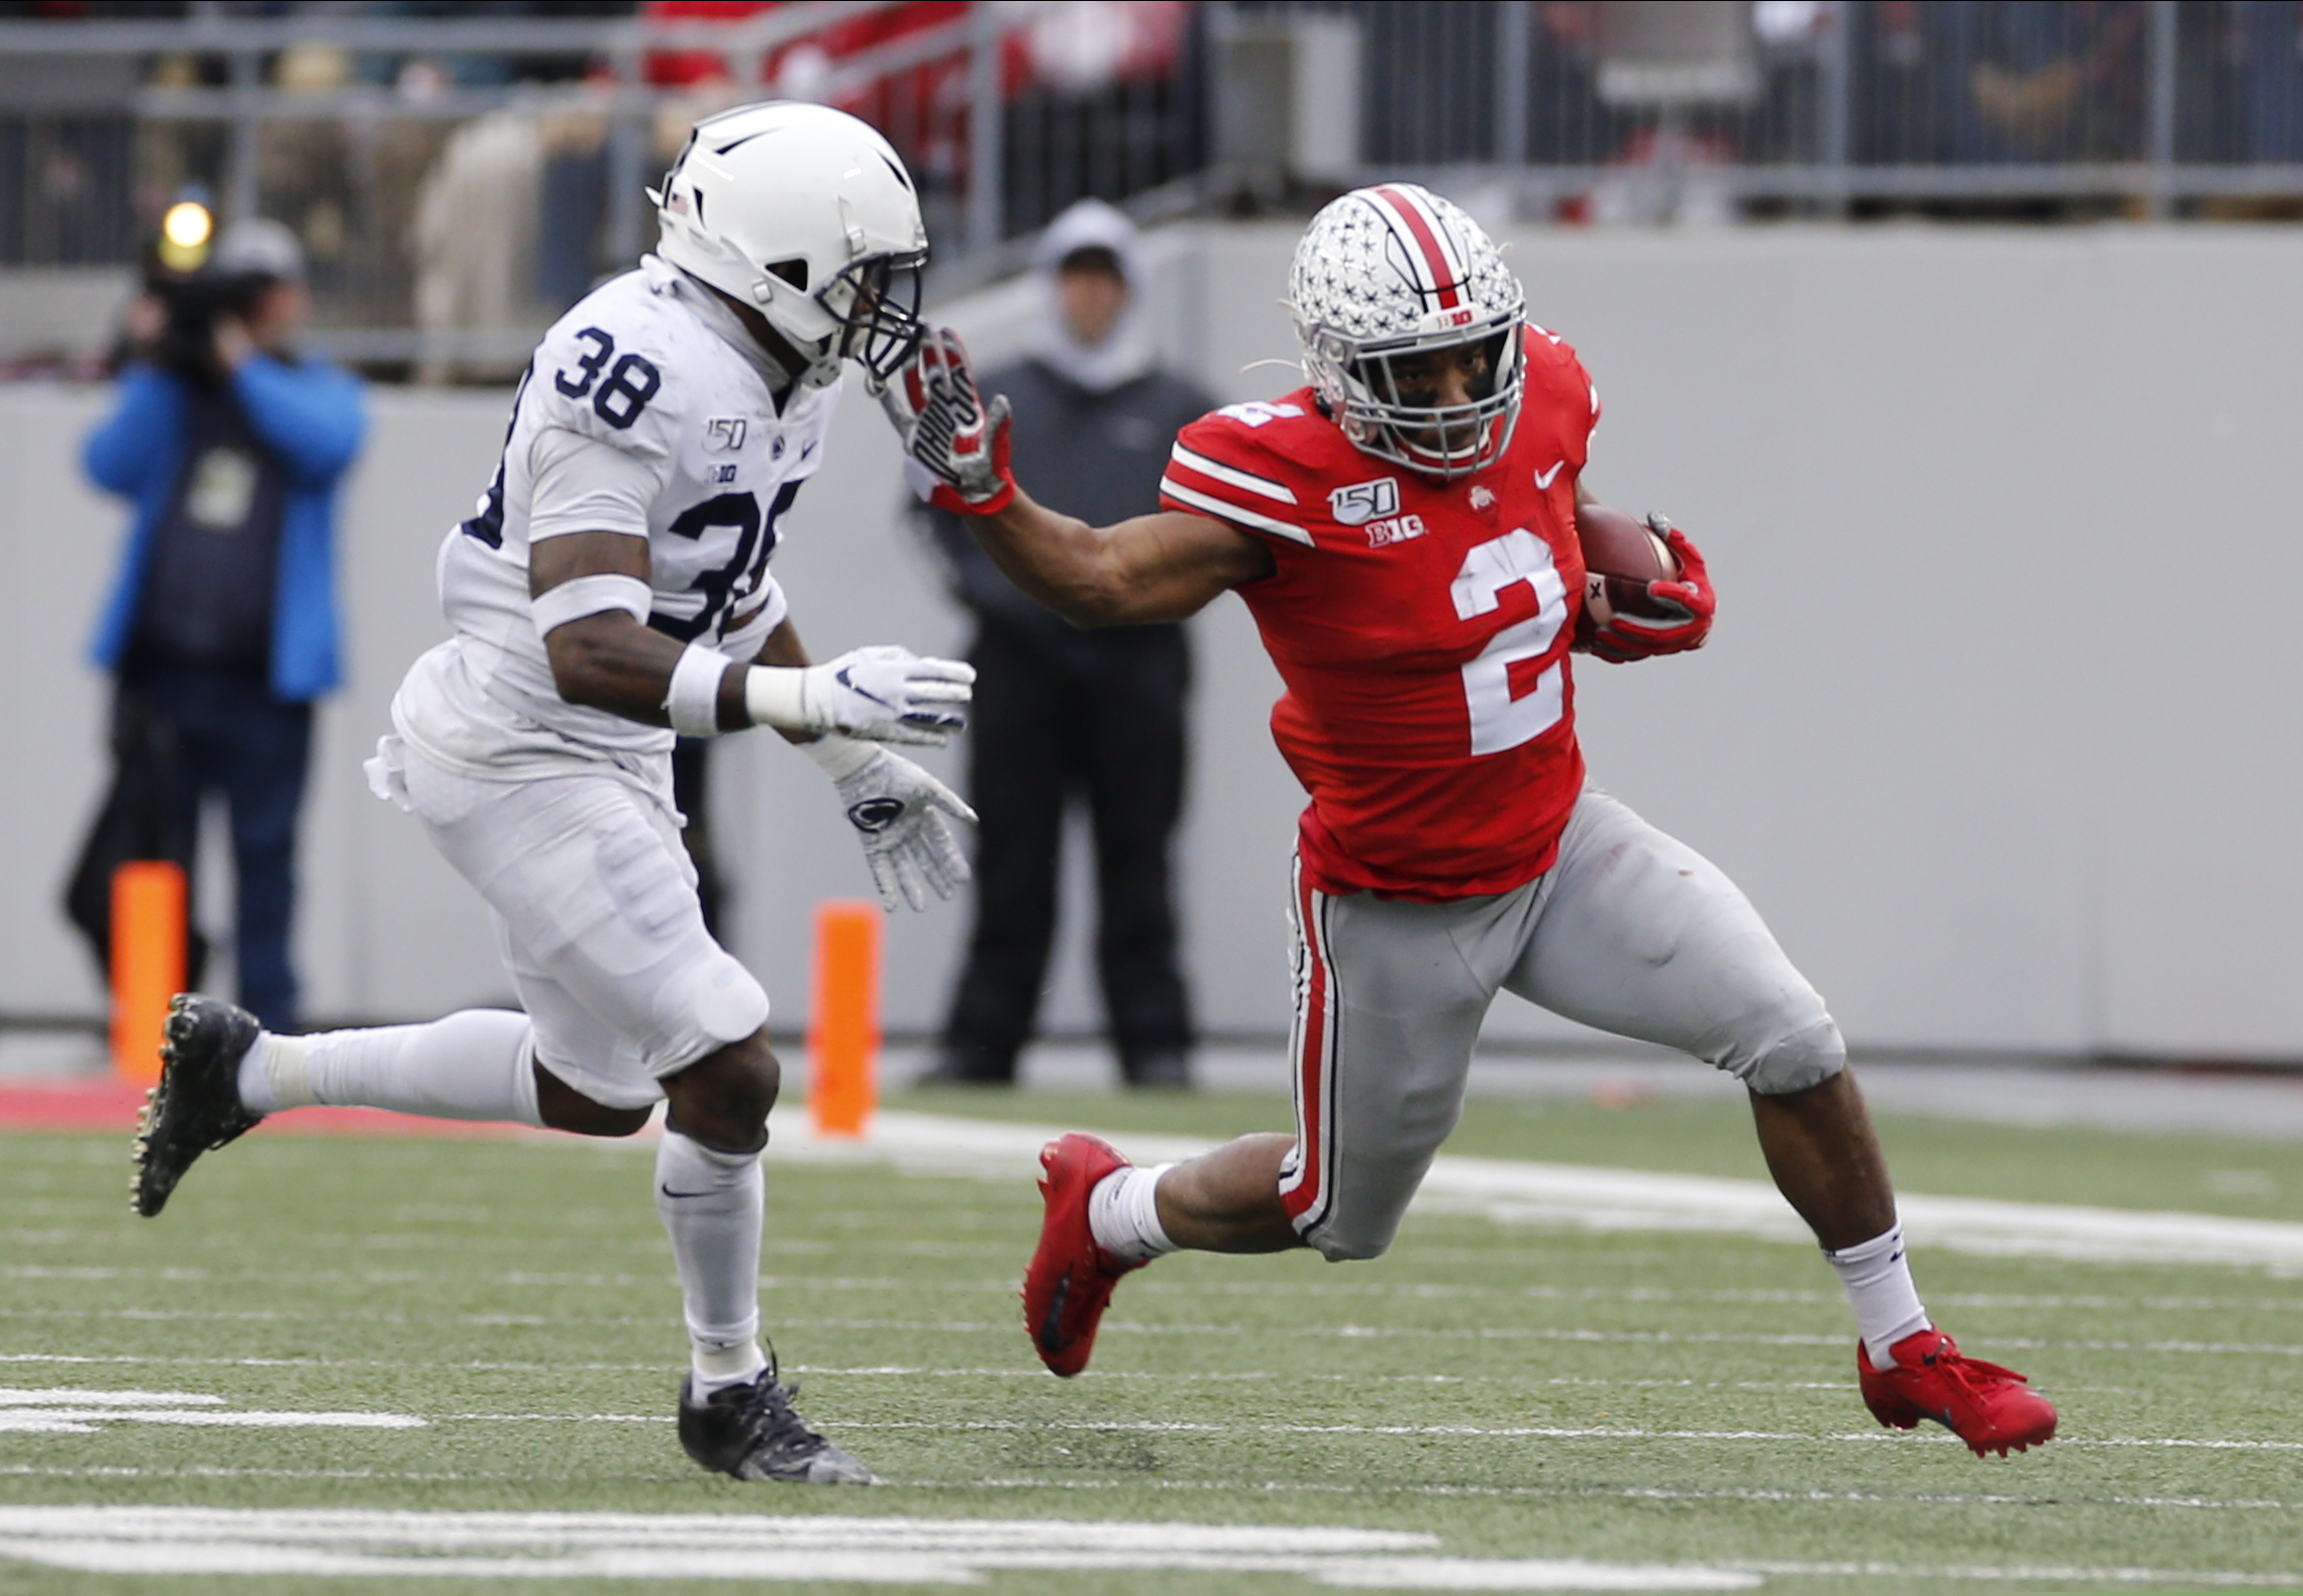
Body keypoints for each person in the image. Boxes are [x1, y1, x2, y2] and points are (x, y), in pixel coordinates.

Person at [881, 181, 2059, 1459]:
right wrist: (991, 498)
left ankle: (1900, 1344)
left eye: (1470, 362)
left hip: (1557, 847)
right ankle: (1109, 1212)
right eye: (1415, 372)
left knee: (1790, 1035)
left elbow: (1545, 527)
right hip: (1391, 901)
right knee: (1335, 1209)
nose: (1453, 399)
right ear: (1337, 367)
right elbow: (1106, 582)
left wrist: (1630, 592)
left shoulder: (1543, 390)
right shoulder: (1277, 473)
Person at [128, 102, 979, 1487]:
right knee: (727, 1062)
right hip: (519, 736)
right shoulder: (634, 360)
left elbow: (726, 579)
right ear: (775, 258)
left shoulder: (783, 370)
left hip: (607, 747)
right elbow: (587, 644)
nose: (886, 304)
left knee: (594, 1090)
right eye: (866, 271)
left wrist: (846, 756)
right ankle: (728, 1391)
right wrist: (816, 705)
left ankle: (250, 1069)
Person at [917, 199, 1212, 1091]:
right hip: (1019, 668)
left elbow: (1222, 536)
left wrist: (1129, 607)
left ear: (1129, 290)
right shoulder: (997, 397)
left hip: (1140, 667)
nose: (1089, 296)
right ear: (1053, 285)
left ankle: (1155, 1045)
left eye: (1105, 277)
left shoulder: (1184, 409)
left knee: (1140, 860)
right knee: (1011, 858)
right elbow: (935, 514)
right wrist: (1021, 603)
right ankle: (984, 1044)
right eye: (1075, 276)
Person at [80, 217, 365, 1033]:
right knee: (158, 854)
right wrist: (157, 360)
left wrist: (238, 362)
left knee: (266, 856)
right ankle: (157, 1023)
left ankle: (268, 1029)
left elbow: (328, 445)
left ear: (293, 298)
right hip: (164, 671)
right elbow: (105, 464)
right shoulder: (175, 390)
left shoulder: (315, 389)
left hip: (267, 678)